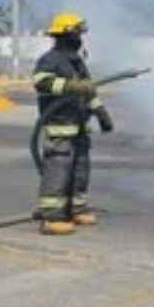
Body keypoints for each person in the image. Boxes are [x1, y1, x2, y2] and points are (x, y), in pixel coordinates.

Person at [31, 12, 114, 235]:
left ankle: (77, 209)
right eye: (78, 33)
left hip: (79, 126)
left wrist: (100, 111)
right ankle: (51, 218)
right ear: (66, 34)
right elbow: (41, 82)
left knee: (80, 172)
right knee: (58, 171)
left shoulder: (77, 62)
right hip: (59, 126)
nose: (80, 38)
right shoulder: (51, 59)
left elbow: (89, 88)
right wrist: (70, 87)